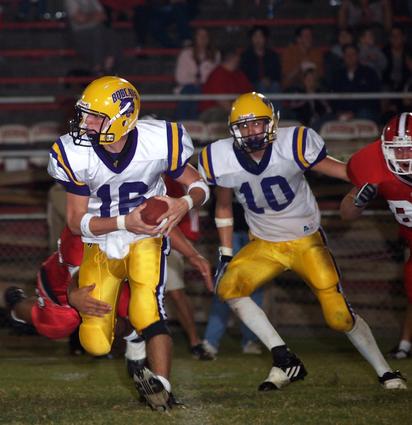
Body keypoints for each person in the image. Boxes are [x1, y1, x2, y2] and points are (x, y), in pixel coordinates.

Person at [198, 91, 407, 391]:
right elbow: (223, 206)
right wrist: (226, 253)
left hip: (306, 241)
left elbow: (343, 171)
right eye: (243, 126)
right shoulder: (221, 158)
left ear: (271, 123)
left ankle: (385, 371)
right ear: (233, 130)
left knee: (338, 317)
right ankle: (283, 358)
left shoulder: (294, 143)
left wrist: (377, 181)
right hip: (264, 244)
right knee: (228, 287)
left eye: (257, 124)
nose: (251, 131)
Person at [47, 75, 211, 410]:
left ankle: (161, 388)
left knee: (147, 308)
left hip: (145, 236)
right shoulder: (75, 152)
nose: (86, 123)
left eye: (96, 117)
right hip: (100, 239)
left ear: (122, 118)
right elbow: (76, 222)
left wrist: (184, 203)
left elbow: (200, 186)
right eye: (85, 114)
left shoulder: (159, 140)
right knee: (95, 341)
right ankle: (131, 336)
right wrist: (124, 222)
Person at [340, 112, 412, 360]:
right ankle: (405, 344)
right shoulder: (374, 164)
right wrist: (359, 199)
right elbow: (346, 214)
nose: (403, 155)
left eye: (408, 148)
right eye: (397, 149)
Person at [203, 198, 264, 357]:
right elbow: (218, 199)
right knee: (224, 287)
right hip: (229, 232)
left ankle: (250, 340)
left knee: (254, 286)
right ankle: (210, 342)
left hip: (257, 233)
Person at [163, 175, 214, 360]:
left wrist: (187, 245)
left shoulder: (174, 177)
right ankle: (133, 345)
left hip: (170, 237)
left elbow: (182, 208)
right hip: (142, 235)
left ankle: (194, 341)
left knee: (176, 292)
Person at [174, 27, 220, 120]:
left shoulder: (215, 54)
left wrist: (202, 82)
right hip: (188, 88)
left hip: (207, 89)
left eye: (205, 36)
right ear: (195, 38)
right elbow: (180, 77)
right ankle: (184, 121)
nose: (203, 38)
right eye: (200, 36)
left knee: (198, 91)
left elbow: (216, 76)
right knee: (190, 90)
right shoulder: (185, 54)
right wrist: (195, 81)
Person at [199, 46, 252, 123]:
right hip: (214, 111)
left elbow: (250, 95)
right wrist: (241, 115)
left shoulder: (239, 75)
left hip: (237, 111)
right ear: (233, 57)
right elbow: (223, 102)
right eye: (237, 55)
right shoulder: (217, 75)